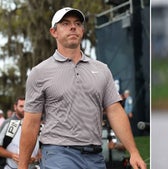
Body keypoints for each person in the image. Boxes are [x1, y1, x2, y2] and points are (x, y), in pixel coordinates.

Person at [19, 7, 146, 169]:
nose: (73, 27)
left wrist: (134, 152)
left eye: (77, 23)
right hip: (58, 153)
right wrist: (22, 167)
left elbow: (115, 111)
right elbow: (31, 123)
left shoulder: (102, 69)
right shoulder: (39, 72)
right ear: (54, 32)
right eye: (65, 23)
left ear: (82, 31)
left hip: (95, 156)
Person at [0, 96, 40, 169]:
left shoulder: (38, 125)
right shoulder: (8, 124)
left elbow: (42, 150)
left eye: (26, 106)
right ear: (15, 107)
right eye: (21, 106)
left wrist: (35, 159)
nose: (24, 109)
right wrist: (12, 155)